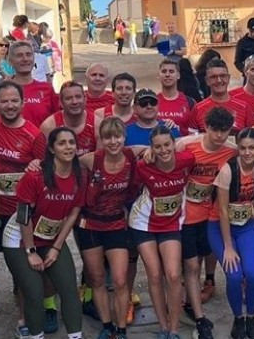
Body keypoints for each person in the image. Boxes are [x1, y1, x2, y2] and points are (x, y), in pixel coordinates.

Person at [0, 82, 46, 335]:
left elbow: (45, 168)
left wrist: (37, 163)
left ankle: (24, 319)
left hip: (19, 214)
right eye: (4, 101)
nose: (10, 105)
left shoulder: (34, 134)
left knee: (22, 269)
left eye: (15, 101)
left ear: (22, 103)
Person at [4, 127, 84, 339]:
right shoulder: (36, 175)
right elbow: (23, 214)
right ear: (51, 148)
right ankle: (36, 336)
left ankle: (76, 336)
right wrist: (31, 251)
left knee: (69, 289)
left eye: (71, 142)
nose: (68, 147)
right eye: (62, 143)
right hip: (20, 238)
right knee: (34, 292)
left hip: (50, 238)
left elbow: (74, 212)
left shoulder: (79, 175)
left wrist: (57, 247)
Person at [73, 117, 138, 339]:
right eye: (107, 137)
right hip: (90, 225)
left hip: (117, 224)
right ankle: (107, 325)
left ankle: (121, 329)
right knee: (97, 278)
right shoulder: (92, 159)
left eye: (117, 136)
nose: (113, 141)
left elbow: (153, 148)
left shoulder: (130, 156)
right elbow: (64, 161)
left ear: (124, 137)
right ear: (101, 139)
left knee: (119, 280)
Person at [178, 107, 239, 339]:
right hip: (185, 217)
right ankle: (200, 317)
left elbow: (250, 158)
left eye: (225, 131)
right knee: (191, 266)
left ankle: (193, 295)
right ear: (206, 126)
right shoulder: (186, 145)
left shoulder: (231, 150)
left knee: (202, 258)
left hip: (211, 216)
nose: (220, 136)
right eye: (215, 130)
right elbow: (163, 158)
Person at [129, 125, 195, 339]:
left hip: (171, 224)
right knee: (155, 275)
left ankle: (174, 329)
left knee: (174, 275)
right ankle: (163, 326)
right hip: (143, 224)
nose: (164, 150)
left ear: (174, 144)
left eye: (167, 144)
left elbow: (203, 139)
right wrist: (142, 151)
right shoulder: (143, 166)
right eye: (158, 147)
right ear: (152, 148)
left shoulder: (186, 160)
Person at [210, 128, 254, 339]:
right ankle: (237, 318)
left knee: (252, 273)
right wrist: (229, 248)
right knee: (234, 275)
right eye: (242, 148)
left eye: (252, 148)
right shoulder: (228, 170)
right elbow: (223, 211)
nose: (247, 152)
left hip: (246, 225)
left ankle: (251, 316)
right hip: (220, 226)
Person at [7, 41, 59, 128]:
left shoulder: (47, 88)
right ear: (11, 61)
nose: (25, 59)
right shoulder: (4, 91)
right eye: (19, 55)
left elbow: (57, 120)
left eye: (28, 55)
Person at [192, 58, 248, 133]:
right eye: (214, 77)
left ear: (228, 78)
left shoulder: (244, 107)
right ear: (207, 81)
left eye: (223, 76)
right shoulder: (197, 109)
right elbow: (191, 138)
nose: (219, 80)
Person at [40, 81, 94, 156]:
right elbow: (43, 160)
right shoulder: (49, 126)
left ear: (85, 99)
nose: (74, 102)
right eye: (68, 98)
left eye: (78, 97)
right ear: (61, 103)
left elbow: (100, 161)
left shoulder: (96, 124)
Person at [156, 59, 196, 135]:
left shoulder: (190, 102)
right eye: (164, 71)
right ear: (158, 75)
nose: (167, 75)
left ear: (178, 75)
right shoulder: (152, 102)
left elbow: (195, 132)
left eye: (171, 71)